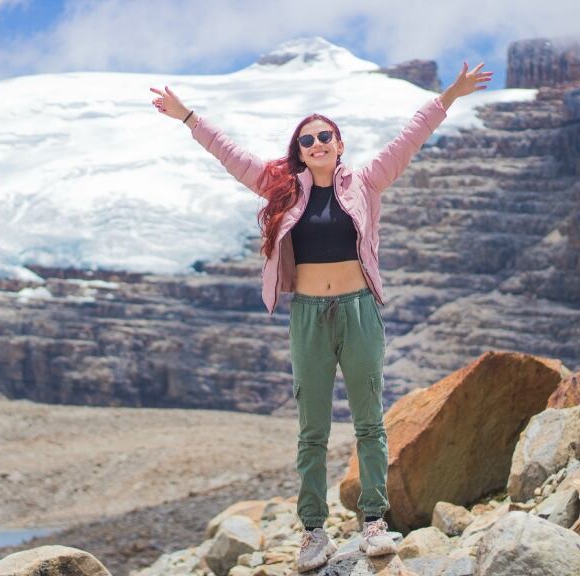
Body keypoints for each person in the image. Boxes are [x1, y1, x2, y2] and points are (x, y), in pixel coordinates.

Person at [150, 61, 492, 572]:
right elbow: (232, 156)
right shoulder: (281, 188)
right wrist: (188, 117)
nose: (315, 145)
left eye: (324, 136)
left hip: (358, 311)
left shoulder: (368, 181)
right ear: (299, 150)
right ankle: (313, 532)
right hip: (308, 316)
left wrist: (451, 95)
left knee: (369, 423)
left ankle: (374, 521)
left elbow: (410, 137)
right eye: (306, 140)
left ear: (339, 143)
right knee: (311, 430)